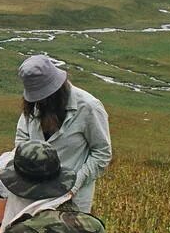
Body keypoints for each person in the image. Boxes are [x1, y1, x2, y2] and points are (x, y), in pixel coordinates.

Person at [16, 55, 111, 212]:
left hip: (72, 199)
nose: (42, 103)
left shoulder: (89, 107)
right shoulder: (34, 106)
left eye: (45, 98)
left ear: (57, 91)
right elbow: (22, 138)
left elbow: (102, 153)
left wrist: (74, 185)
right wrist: (28, 168)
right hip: (33, 193)